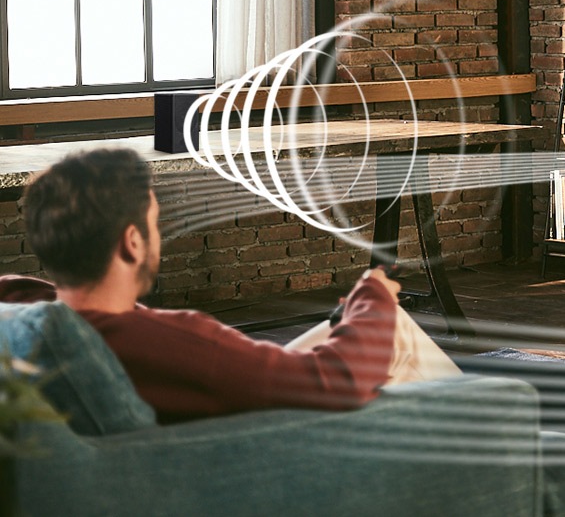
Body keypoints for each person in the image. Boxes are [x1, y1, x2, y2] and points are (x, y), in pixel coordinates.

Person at [0, 148, 459, 424]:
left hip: (201, 410)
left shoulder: (24, 317)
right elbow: (333, 382)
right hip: (259, 449)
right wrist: (373, 295)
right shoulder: (180, 343)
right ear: (133, 241)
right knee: (391, 326)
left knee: (379, 325)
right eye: (156, 224)